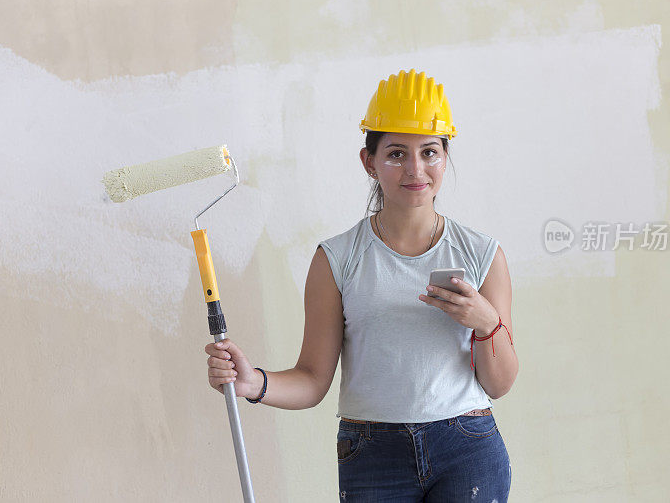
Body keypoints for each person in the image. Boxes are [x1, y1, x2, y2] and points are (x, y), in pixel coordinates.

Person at [205, 69, 518, 502]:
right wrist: (252, 383)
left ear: (445, 156)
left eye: (429, 151)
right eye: (395, 153)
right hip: (372, 453)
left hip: (467, 447)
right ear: (369, 161)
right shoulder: (336, 260)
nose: (415, 169)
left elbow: (500, 384)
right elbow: (313, 380)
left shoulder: (483, 255)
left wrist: (486, 322)